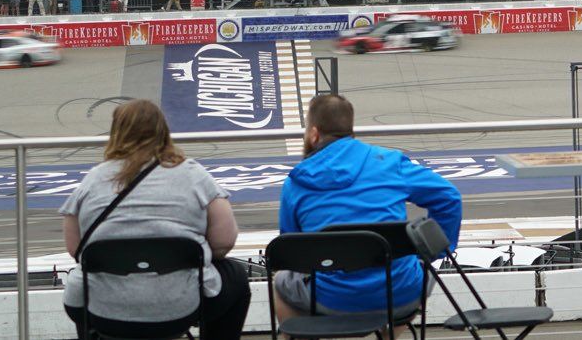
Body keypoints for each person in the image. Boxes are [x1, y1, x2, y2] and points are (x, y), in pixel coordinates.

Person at [60, 100, 251, 340]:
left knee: (85, 283)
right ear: (164, 132)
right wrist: (188, 256)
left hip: (105, 310)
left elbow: (76, 250)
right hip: (179, 307)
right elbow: (224, 242)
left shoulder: (91, 181)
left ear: (116, 134)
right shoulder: (194, 175)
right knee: (236, 276)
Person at [276, 95, 462, 324]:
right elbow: (449, 197)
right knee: (415, 273)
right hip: (400, 295)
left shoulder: (295, 183)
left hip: (331, 300)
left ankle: (295, 336)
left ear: (314, 134)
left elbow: (291, 250)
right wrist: (437, 250)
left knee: (280, 280)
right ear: (351, 131)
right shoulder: (390, 162)